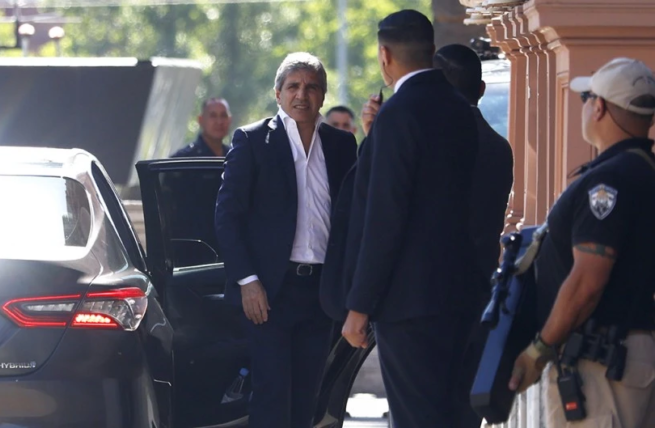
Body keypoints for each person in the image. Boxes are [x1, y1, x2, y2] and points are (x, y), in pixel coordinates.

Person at [339, 9, 481, 428]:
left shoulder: (398, 114)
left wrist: (360, 305)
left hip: (409, 303)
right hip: (460, 293)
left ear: (384, 55)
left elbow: (385, 218)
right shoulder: (460, 109)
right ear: (431, 50)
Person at [508, 57, 655, 428]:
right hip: (626, 354)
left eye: (586, 98)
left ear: (599, 106)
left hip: (603, 363)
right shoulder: (642, 171)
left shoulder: (609, 183)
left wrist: (538, 349)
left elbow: (587, 281)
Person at [215, 52, 356, 428]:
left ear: (323, 95)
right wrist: (247, 280)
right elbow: (227, 217)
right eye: (293, 86)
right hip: (269, 293)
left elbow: (352, 218)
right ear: (277, 94)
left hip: (322, 293)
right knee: (271, 396)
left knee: (308, 399)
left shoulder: (342, 145)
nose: (302, 95)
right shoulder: (252, 140)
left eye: (311, 87)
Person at [431, 43, 515, 428]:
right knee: (464, 407)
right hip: (479, 290)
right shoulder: (499, 147)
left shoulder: (428, 143)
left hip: (427, 297)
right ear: (480, 90)